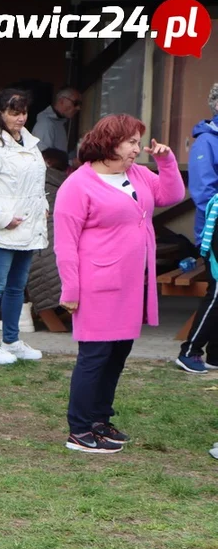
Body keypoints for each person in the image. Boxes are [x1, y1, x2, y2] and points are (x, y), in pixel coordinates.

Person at [54, 115, 183, 452]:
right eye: (132, 143)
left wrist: (165, 161)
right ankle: (79, 429)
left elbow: (172, 194)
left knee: (117, 354)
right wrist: (70, 290)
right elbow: (65, 243)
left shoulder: (137, 173)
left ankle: (100, 420)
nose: (137, 149)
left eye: (138, 143)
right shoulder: (78, 185)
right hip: (96, 283)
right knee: (95, 355)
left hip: (131, 283)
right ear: (110, 143)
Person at [0, 88, 48, 364]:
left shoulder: (31, 143)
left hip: (28, 225)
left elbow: (35, 183)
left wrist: (43, 208)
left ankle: (12, 340)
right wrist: (4, 218)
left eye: (23, 112)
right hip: (3, 227)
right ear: (0, 113)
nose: (20, 118)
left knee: (17, 287)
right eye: (13, 112)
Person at [176, 83, 218, 373]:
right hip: (216, 227)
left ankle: (215, 354)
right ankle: (189, 351)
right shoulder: (206, 141)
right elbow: (204, 193)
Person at [25, 148, 69, 317]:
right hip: (62, 256)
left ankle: (21, 312)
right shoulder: (66, 185)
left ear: (47, 163)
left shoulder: (40, 183)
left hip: (43, 254)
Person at [31, 87, 81, 153]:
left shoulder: (59, 122)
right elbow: (43, 157)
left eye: (80, 104)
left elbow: (61, 155)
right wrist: (72, 162)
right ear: (62, 101)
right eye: (76, 103)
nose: (78, 108)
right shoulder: (45, 124)